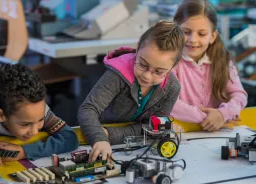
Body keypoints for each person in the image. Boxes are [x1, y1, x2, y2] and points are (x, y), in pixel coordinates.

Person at [78, 21, 185, 162]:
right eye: (142, 64)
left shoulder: (172, 87)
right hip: (97, 139)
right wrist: (99, 138)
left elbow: (155, 128)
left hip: (131, 146)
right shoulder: (117, 74)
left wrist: (112, 135)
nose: (147, 75)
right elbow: (87, 109)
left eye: (158, 71)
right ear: (138, 46)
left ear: (173, 67)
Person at [0, 64, 79, 166]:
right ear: (0, 115)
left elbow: (70, 138)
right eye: (25, 124)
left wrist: (25, 151)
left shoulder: (40, 110)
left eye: (40, 120)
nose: (34, 131)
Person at [171, 0, 247, 131]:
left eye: (201, 34)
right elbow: (170, 103)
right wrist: (210, 118)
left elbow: (239, 95)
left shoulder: (223, 61)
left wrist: (223, 114)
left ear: (212, 36)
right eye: (186, 32)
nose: (193, 39)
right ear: (175, 31)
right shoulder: (169, 62)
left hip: (217, 133)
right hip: (182, 132)